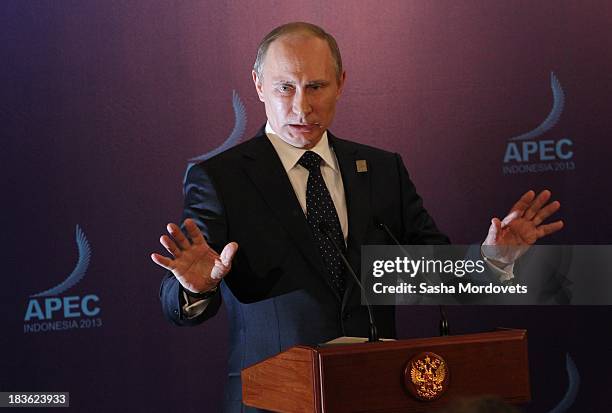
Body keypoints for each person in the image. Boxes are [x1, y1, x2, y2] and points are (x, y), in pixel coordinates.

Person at [152, 22, 563, 412]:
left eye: (316, 86)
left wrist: (491, 260)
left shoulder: (382, 169)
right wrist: (196, 288)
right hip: (274, 401)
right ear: (259, 85)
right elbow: (180, 295)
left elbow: (429, 268)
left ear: (341, 83)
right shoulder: (222, 177)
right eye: (285, 88)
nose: (302, 105)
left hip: (378, 392)